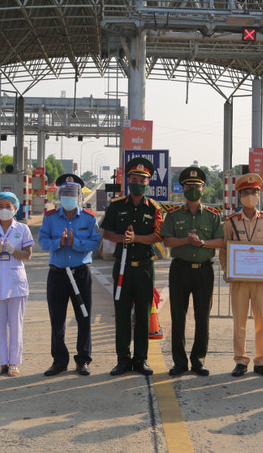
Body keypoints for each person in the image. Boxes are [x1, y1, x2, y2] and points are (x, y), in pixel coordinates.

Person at [100, 157, 163, 376]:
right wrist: (122, 238)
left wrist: (136, 239)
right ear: (128, 181)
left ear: (148, 183)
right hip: (123, 268)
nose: (138, 183)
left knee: (144, 315)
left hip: (145, 268)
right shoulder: (117, 206)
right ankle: (123, 359)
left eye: (142, 180)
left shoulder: (154, 208)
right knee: (122, 314)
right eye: (134, 179)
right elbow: (107, 232)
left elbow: (158, 236)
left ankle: (141, 359)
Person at [161, 166, 224, 377]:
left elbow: (221, 241)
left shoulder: (213, 216)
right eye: (189, 186)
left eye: (197, 186)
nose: (193, 190)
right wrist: (186, 241)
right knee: (178, 317)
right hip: (180, 269)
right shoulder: (173, 214)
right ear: (182, 189)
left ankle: (198, 360)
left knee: (202, 317)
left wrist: (202, 243)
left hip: (204, 271)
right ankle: (179, 362)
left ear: (203, 190)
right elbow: (167, 240)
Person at [38, 173, 102, 377]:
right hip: (57, 275)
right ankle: (59, 361)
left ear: (79, 196)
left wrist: (75, 244)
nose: (68, 196)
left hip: (80, 273)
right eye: (64, 192)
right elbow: (43, 242)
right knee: (57, 320)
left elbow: (95, 243)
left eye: (72, 193)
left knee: (84, 317)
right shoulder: (50, 218)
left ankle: (83, 360)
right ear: (59, 195)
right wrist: (59, 243)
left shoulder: (88, 218)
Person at [220, 173, 263, 377]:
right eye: (246, 193)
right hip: (238, 279)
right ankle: (240, 360)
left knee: (261, 320)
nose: (250, 196)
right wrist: (226, 270)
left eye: (254, 192)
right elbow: (224, 250)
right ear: (239, 196)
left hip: (262, 280)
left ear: (259, 194)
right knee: (239, 321)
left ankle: (260, 360)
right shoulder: (231, 222)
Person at [0, 191, 34, 377]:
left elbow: (27, 255)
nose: (4, 210)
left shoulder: (22, 229)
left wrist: (11, 250)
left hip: (16, 282)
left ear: (15, 208)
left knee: (16, 325)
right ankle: (2, 362)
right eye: (0, 206)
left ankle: (14, 363)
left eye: (8, 206)